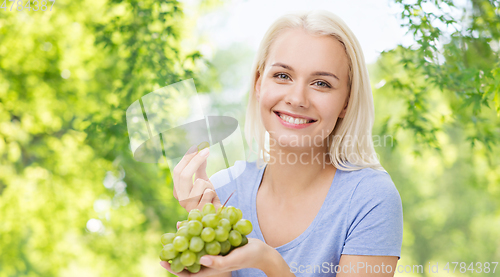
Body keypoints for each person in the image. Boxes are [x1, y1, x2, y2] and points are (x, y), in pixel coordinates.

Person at [161, 9, 403, 277]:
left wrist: (269, 262)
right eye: (282, 76)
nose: (297, 98)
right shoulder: (223, 191)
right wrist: (213, 256)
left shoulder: (370, 198)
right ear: (258, 83)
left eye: (321, 83)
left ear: (346, 101)